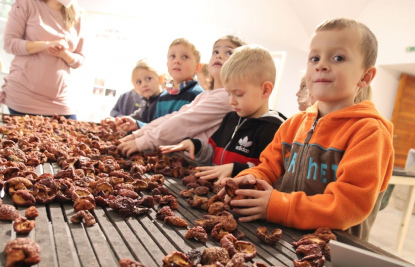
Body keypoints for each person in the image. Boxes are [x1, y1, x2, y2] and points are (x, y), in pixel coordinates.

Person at [221, 18, 394, 241]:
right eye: (315, 58)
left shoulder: (370, 132)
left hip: (331, 253)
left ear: (365, 76)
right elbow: (268, 168)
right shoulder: (292, 125)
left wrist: (279, 206)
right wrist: (248, 180)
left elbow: (348, 205)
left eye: (338, 57)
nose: (321, 65)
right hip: (281, 240)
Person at [160, 44, 286, 185]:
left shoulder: (274, 129)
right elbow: (212, 153)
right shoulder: (230, 118)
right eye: (228, 93)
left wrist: (235, 169)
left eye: (238, 94)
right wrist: (195, 145)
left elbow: (272, 173)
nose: (231, 101)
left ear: (265, 90)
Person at [117, 35, 246, 157]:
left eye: (229, 53)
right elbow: (175, 116)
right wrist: (138, 134)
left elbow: (183, 122)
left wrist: (143, 141)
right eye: (215, 52)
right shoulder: (206, 95)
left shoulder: (226, 97)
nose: (219, 56)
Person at [1, 0, 84, 119]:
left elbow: (80, 59)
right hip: (24, 97)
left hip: (60, 99)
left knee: (72, 135)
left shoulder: (77, 14)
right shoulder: (26, 4)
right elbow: (10, 44)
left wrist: (64, 55)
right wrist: (46, 45)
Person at [103, 59, 166, 130]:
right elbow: (133, 119)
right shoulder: (146, 104)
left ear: (160, 79)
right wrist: (118, 121)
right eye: (139, 82)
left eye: (148, 79)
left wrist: (138, 125)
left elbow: (161, 130)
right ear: (136, 88)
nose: (144, 84)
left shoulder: (165, 101)